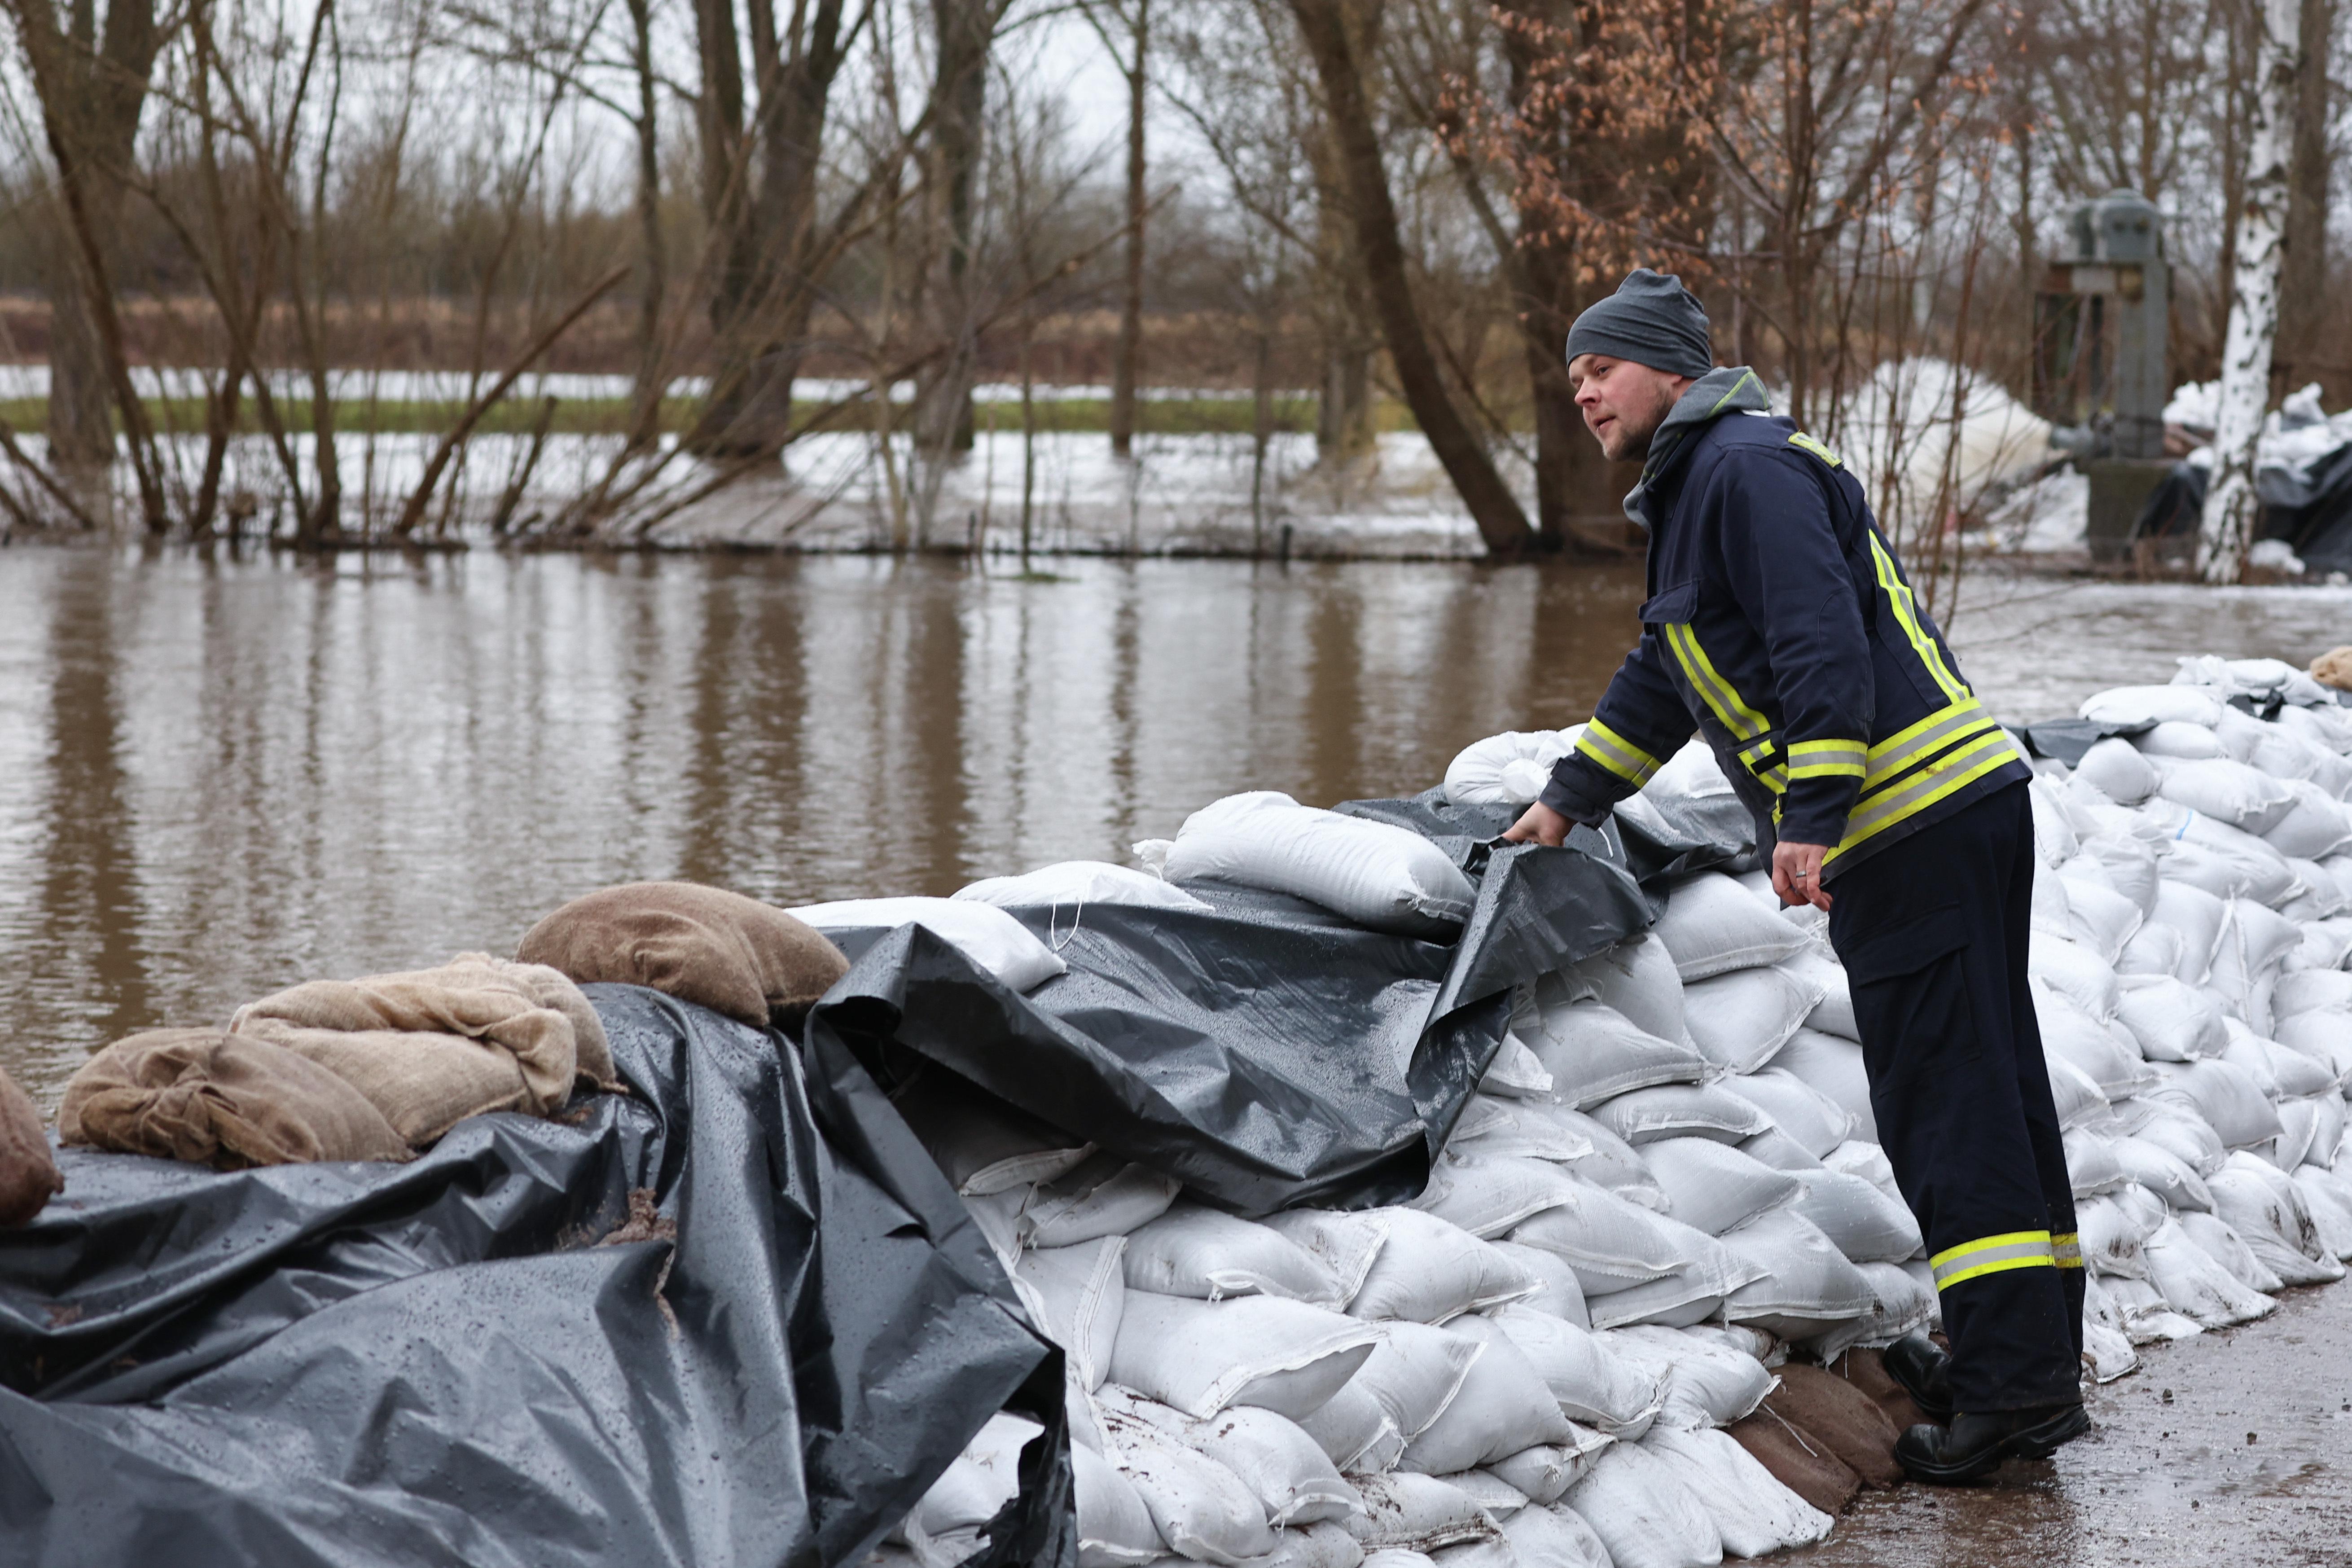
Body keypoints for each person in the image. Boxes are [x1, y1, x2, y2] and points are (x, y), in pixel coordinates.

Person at [1505, 269, 2086, 1484]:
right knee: (1984, 1084)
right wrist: (1565, 803)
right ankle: (2007, 1360)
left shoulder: (1741, 470)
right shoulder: (1700, 484)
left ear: (1669, 367)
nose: (1581, 391)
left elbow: (1819, 636)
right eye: (1572, 375)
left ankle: (2015, 1398)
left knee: (1950, 1103)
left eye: (1599, 367)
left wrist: (1811, 811)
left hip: (1910, 818)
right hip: (1948, 811)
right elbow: (1667, 678)